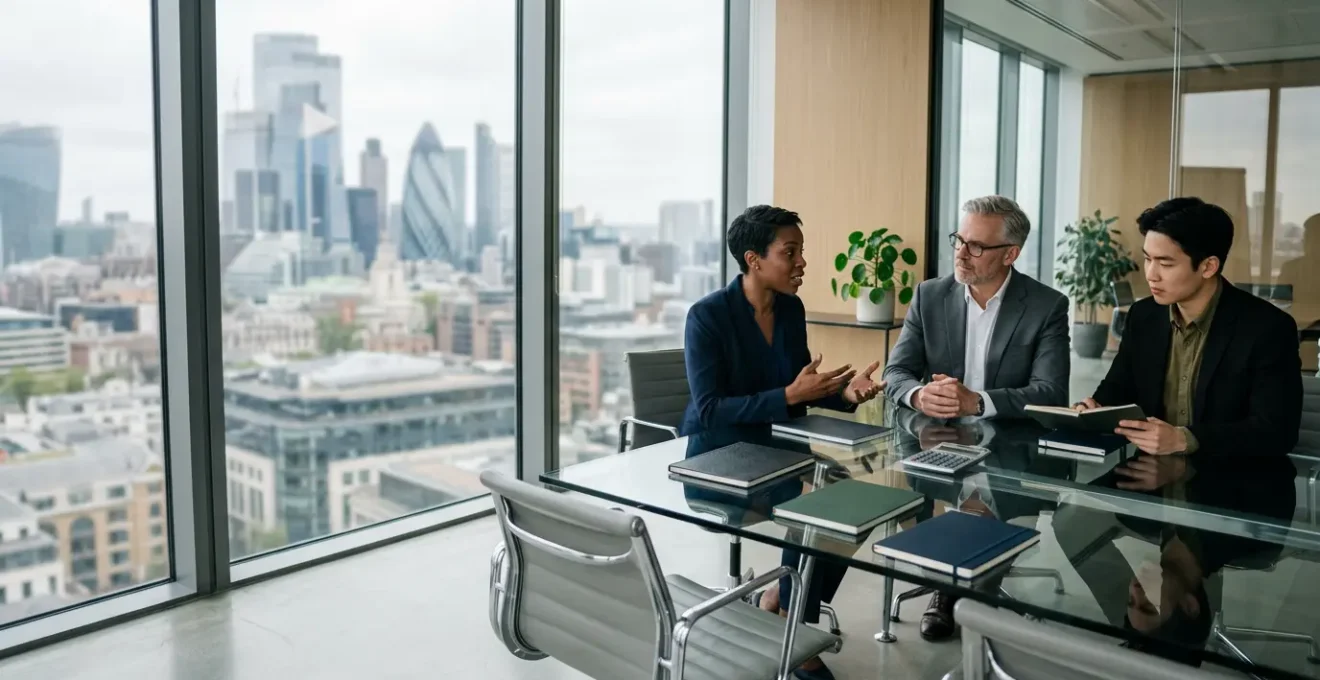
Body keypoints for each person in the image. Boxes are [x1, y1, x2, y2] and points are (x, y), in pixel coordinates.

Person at [681, 204, 883, 680]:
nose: (802, 262)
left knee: (858, 503)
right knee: (819, 508)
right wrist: (790, 395)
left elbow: (798, 389)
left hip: (782, 453)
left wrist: (843, 394)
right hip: (719, 460)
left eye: (800, 251)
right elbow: (709, 410)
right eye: (789, 253)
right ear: (753, 260)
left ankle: (779, 601)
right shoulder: (707, 316)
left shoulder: (791, 310)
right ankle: (797, 635)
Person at [881, 194, 1071, 640]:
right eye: (959, 240)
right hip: (936, 441)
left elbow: (1051, 393)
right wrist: (919, 395)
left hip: (1011, 449)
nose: (961, 253)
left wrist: (977, 402)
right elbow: (895, 373)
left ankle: (952, 593)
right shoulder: (930, 296)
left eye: (977, 246)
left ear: (1010, 254)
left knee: (980, 509)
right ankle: (962, 589)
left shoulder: (1045, 306)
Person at [1076, 197, 1302, 457]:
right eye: (1148, 259)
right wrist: (1094, 408)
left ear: (1208, 266)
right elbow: (1117, 389)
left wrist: (1185, 439)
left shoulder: (1267, 328)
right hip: (1149, 472)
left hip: (1234, 475)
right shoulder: (1143, 316)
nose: (1151, 274)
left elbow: (1277, 432)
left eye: (1165, 263)